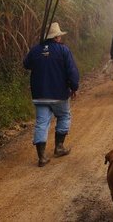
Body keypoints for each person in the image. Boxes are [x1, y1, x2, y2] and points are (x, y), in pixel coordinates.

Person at [23, 22, 79, 167]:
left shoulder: (35, 50)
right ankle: (59, 147)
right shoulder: (63, 50)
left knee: (41, 123)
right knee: (64, 116)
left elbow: (26, 64)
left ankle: (41, 157)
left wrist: (40, 52)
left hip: (40, 94)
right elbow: (72, 71)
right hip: (59, 94)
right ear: (56, 37)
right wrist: (74, 87)